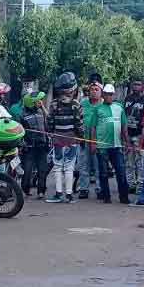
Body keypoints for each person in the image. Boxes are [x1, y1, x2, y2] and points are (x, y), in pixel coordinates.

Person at [47, 72, 84, 203]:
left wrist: (51, 132)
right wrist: (81, 136)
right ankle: (69, 195)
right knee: (69, 167)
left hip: (57, 139)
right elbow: (79, 124)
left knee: (57, 166)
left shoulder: (53, 104)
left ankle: (58, 194)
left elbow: (50, 122)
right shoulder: (76, 104)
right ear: (73, 89)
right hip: (72, 140)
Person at [90, 84, 130, 204]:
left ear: (113, 95)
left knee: (121, 171)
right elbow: (93, 127)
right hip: (102, 145)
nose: (108, 96)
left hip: (117, 145)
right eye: (106, 94)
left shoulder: (119, 107)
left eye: (110, 94)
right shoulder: (98, 109)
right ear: (103, 95)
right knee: (103, 173)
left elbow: (124, 126)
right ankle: (106, 197)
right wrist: (93, 143)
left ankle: (124, 197)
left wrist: (127, 142)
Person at [19, 91, 51, 199]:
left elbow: (49, 120)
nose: (41, 102)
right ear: (31, 103)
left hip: (42, 145)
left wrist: (42, 107)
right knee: (27, 170)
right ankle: (25, 190)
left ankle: (41, 191)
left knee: (42, 169)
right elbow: (21, 131)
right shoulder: (23, 115)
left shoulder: (41, 112)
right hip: (29, 147)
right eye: (38, 101)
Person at [124, 80, 144, 194]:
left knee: (140, 162)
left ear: (142, 87)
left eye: (138, 84)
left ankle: (140, 185)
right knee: (128, 162)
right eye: (134, 84)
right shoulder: (127, 99)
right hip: (127, 134)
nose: (136, 86)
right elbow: (123, 115)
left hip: (139, 134)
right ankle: (131, 184)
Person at [79, 79, 103, 199]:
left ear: (101, 92)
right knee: (84, 164)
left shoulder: (104, 104)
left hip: (99, 137)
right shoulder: (83, 103)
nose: (93, 92)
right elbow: (78, 119)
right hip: (84, 137)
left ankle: (100, 188)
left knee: (98, 164)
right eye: (91, 90)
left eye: (96, 89)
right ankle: (83, 188)